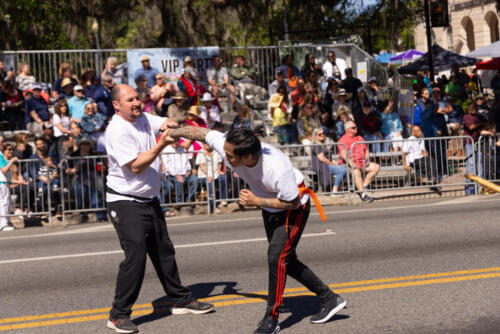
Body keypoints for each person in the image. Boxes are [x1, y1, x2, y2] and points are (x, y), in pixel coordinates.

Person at [166, 126, 346, 334]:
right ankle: (329, 298)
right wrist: (175, 132)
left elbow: (293, 202)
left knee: (276, 258)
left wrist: (256, 200)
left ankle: (272, 318)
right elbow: (200, 133)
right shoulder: (231, 144)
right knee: (286, 260)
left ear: (248, 156)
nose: (225, 157)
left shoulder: (276, 167)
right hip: (269, 206)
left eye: (230, 156)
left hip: (292, 207)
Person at [104, 84, 214, 333]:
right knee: (136, 256)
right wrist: (162, 143)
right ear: (116, 105)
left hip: (148, 199)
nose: (135, 103)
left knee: (164, 251)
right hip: (125, 201)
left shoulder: (141, 117)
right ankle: (117, 314)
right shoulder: (117, 130)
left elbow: (163, 121)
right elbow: (135, 166)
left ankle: (180, 299)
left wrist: (171, 125)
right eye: (129, 100)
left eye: (136, 98)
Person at [338, 121, 380, 202]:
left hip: (362, 162)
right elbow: (343, 155)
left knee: (376, 167)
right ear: (347, 130)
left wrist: (367, 159)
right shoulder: (342, 140)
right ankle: (363, 194)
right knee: (356, 172)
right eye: (353, 127)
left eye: (356, 127)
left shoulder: (360, 138)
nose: (356, 128)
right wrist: (351, 162)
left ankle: (364, 185)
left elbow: (366, 151)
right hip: (349, 164)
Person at [311, 128, 347, 195]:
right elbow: (322, 158)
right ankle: (334, 191)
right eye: (319, 134)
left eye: (323, 133)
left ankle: (337, 189)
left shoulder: (322, 144)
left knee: (343, 168)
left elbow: (326, 158)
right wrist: (332, 164)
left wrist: (333, 162)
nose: (322, 135)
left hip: (326, 165)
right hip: (321, 166)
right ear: (315, 136)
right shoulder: (316, 145)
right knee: (342, 170)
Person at [463, 103, 486, 195]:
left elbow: (488, 123)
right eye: (471, 107)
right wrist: (481, 124)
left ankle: (480, 184)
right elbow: (471, 127)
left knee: (479, 163)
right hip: (469, 143)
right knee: (471, 164)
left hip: (478, 142)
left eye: (475, 107)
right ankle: (470, 187)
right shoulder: (466, 117)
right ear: (468, 109)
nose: (473, 109)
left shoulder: (480, 116)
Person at [0, 145, 18, 231]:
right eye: (9, 149)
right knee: (4, 203)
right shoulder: (1, 157)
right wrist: (11, 161)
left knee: (7, 202)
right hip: (1, 182)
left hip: (4, 182)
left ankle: (6, 221)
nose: (11, 151)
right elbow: (4, 170)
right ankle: (3, 224)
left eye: (12, 149)